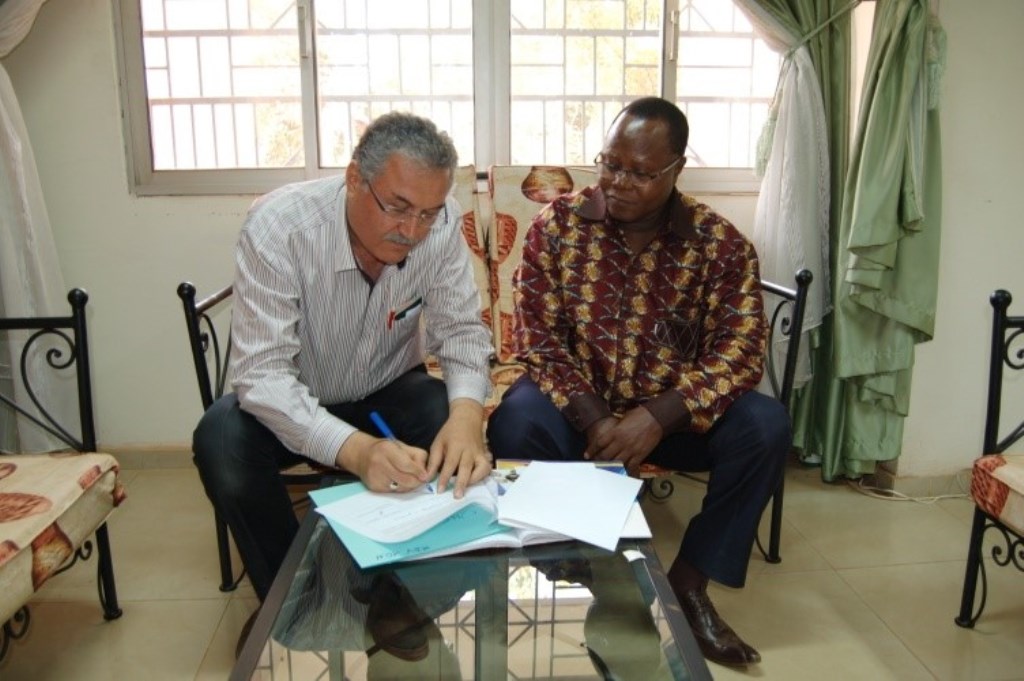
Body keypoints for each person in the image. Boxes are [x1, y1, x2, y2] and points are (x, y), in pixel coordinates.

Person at [485, 97, 790, 668]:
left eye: (641, 173)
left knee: (766, 425)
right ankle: (598, 573)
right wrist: (596, 417)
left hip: (674, 423)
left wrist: (657, 416)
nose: (618, 182)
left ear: (676, 169)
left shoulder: (719, 244)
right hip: (579, 415)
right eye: (611, 163)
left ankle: (689, 587)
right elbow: (537, 335)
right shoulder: (558, 227)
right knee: (516, 420)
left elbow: (742, 351)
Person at [193, 112, 494, 630]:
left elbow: (462, 331)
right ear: (355, 178)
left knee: (442, 413)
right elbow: (263, 374)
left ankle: (406, 595)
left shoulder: (441, 225)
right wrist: (355, 450)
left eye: (427, 213)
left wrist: (468, 417)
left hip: (385, 390)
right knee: (221, 441)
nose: (412, 231)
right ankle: (294, 602)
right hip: (294, 399)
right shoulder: (280, 228)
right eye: (397, 207)